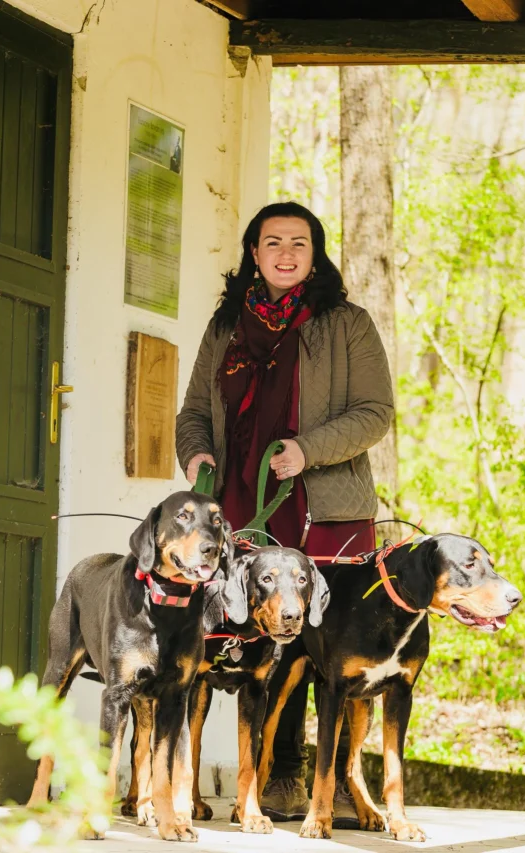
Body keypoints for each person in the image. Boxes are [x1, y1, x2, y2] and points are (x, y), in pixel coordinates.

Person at [176, 201, 393, 825]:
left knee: (323, 644)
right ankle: (245, 777)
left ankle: (331, 782)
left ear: (315, 252)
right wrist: (196, 458)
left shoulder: (347, 323)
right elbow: (194, 412)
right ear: (254, 252)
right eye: (273, 242)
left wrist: (308, 450)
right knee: (239, 634)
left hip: (324, 507)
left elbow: (376, 412)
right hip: (238, 505)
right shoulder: (225, 326)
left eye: (300, 242)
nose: (286, 253)